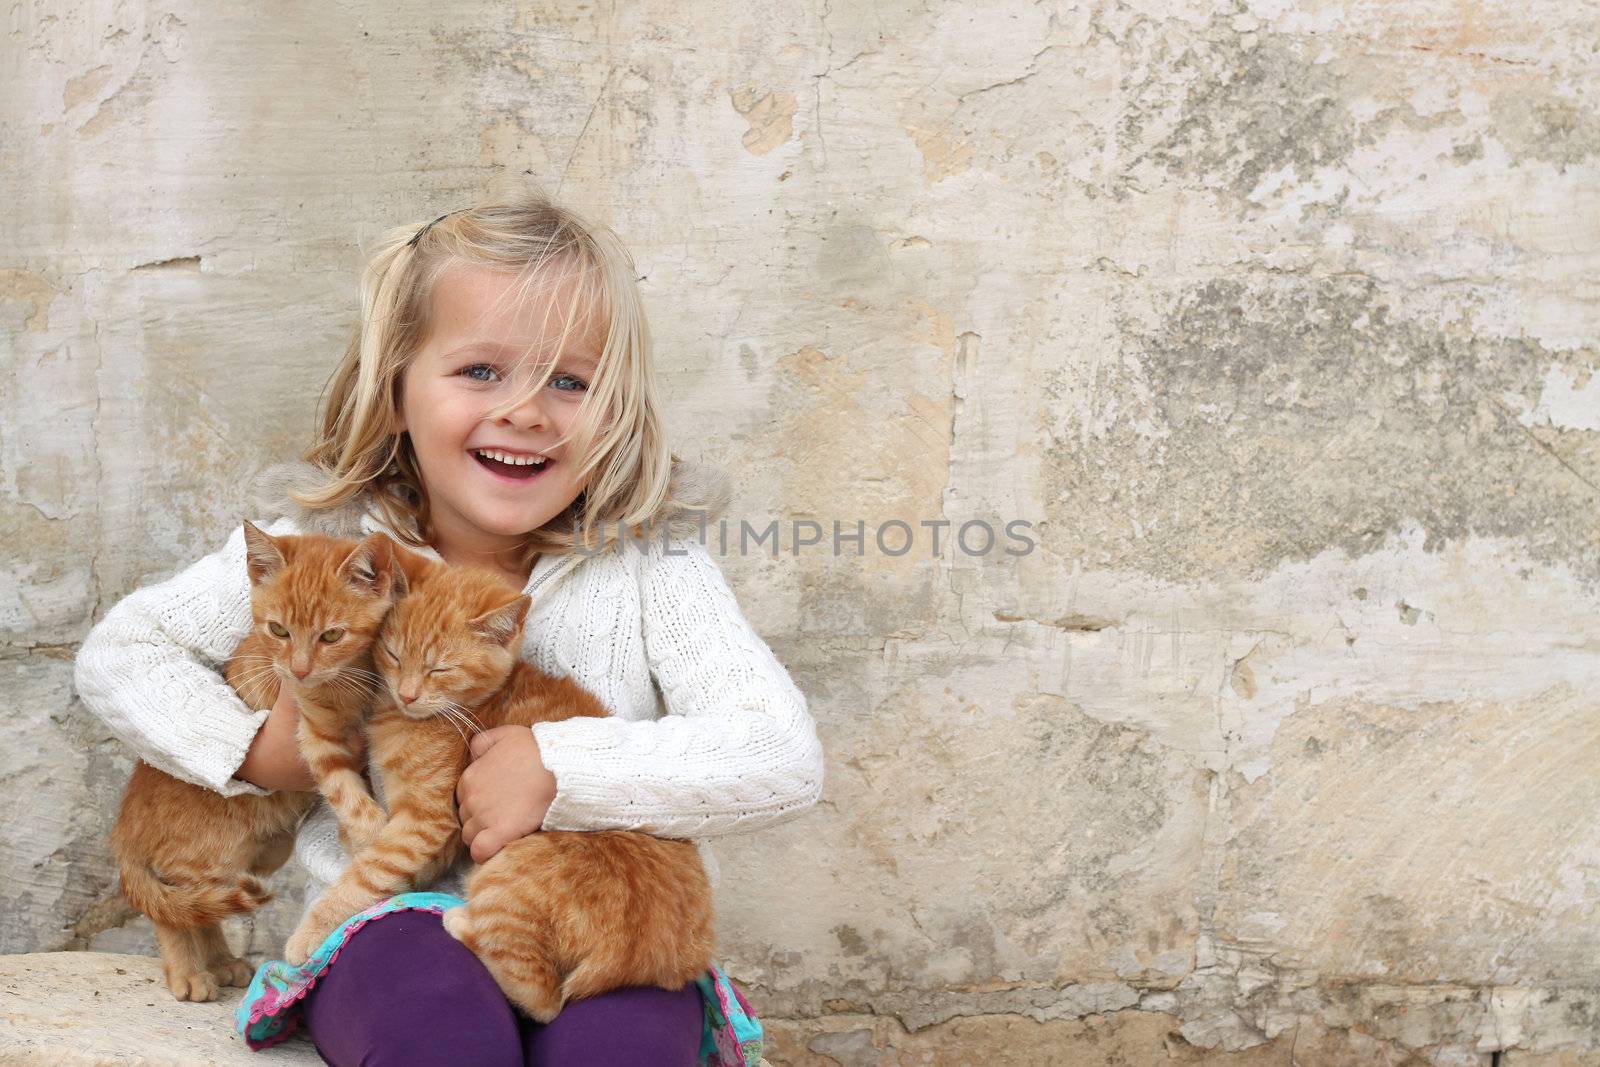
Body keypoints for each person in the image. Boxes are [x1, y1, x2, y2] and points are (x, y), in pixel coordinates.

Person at [73, 186, 825, 1066]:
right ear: (393, 391)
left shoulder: (650, 567)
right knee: (434, 1034)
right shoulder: (332, 549)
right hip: (388, 917)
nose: (528, 411)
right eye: (480, 371)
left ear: (617, 409)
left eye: (572, 381)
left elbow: (780, 751)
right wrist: (252, 752)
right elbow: (122, 654)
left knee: (624, 1049)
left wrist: (560, 766)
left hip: (593, 918)